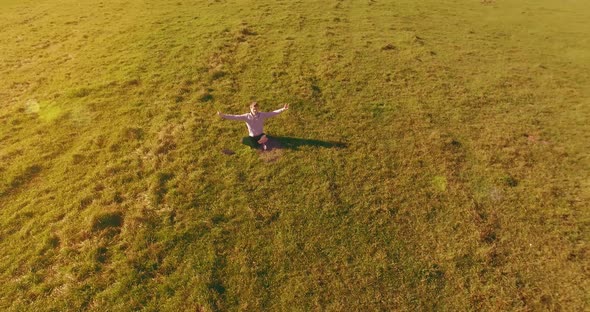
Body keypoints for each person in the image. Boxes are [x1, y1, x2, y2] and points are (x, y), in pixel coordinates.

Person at [217, 102, 289, 150]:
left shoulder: (262, 115)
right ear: (250, 109)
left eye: (257, 109)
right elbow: (235, 117)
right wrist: (223, 115)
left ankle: (262, 140)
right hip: (252, 136)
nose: (255, 110)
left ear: (258, 108)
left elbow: (272, 113)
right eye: (254, 109)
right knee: (251, 144)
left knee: (263, 137)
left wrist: (283, 109)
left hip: (260, 134)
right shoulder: (246, 116)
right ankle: (257, 143)